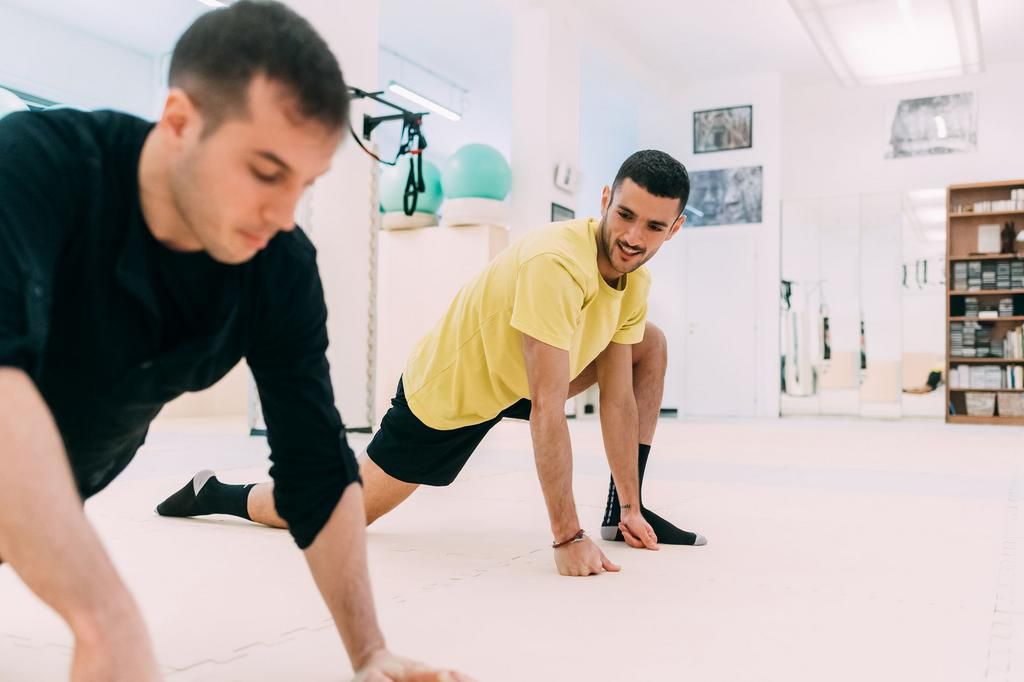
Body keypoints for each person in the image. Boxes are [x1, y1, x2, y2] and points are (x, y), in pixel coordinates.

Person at [0, 2, 470, 680]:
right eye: (266, 172)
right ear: (181, 121)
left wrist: (370, 652)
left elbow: (315, 467)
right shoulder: (39, 166)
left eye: (305, 185)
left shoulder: (277, 266)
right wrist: (105, 616)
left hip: (58, 482)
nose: (283, 215)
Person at [160, 149, 707, 578]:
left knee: (648, 345)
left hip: (522, 376)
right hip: (454, 391)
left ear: (675, 228)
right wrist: (566, 538)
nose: (633, 238)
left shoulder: (635, 280)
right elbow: (547, 409)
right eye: (625, 215)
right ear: (607, 199)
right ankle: (215, 494)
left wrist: (631, 504)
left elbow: (616, 396)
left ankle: (624, 512)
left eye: (654, 227)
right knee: (344, 514)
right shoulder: (555, 263)